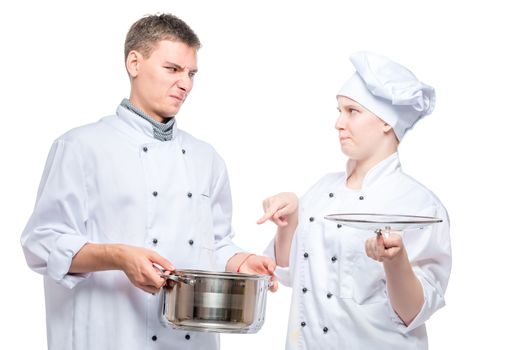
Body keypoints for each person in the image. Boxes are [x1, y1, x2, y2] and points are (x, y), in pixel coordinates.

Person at [21, 13, 276, 350]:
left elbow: (212, 243)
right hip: (111, 336)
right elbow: (41, 244)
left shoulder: (205, 157)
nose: (185, 84)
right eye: (173, 69)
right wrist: (118, 256)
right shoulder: (81, 146)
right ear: (134, 63)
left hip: (190, 338)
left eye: (191, 73)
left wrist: (239, 261)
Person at [257, 52, 451, 349]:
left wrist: (394, 261)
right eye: (339, 110)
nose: (338, 122)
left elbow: (414, 312)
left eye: (352, 111)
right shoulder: (321, 190)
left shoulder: (420, 205)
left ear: (386, 122)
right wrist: (290, 220)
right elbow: (290, 274)